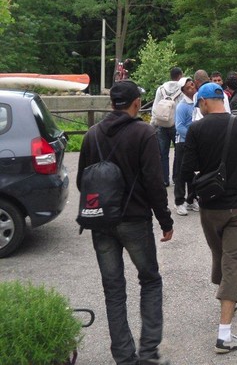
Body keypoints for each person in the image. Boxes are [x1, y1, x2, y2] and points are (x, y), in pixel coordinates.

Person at [77, 80, 174, 365]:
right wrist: (165, 221)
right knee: (150, 281)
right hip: (135, 220)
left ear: (111, 104)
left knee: (114, 289)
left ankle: (123, 357)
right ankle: (148, 354)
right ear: (135, 104)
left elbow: (85, 180)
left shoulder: (91, 135)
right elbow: (155, 183)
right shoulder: (144, 133)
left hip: (102, 222)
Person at [180, 82, 237, 354]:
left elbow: (186, 170)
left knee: (221, 255)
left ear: (206, 102)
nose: (199, 107)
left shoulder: (196, 129)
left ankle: (227, 304)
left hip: (210, 208)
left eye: (199, 103)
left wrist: (204, 173)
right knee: (232, 262)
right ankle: (224, 334)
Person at [151, 67, 183, 186]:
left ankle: (165, 179)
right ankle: (176, 177)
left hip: (162, 124)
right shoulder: (182, 89)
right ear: (180, 75)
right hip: (176, 124)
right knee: (178, 152)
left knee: (163, 153)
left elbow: (155, 107)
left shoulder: (161, 89)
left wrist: (153, 124)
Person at [173, 77, 198, 216]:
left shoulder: (196, 102)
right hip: (183, 142)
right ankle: (179, 201)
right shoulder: (182, 106)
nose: (192, 88)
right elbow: (179, 126)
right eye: (188, 87)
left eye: (192, 85)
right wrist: (192, 136)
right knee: (181, 173)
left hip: (194, 143)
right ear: (183, 90)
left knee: (192, 171)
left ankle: (192, 198)